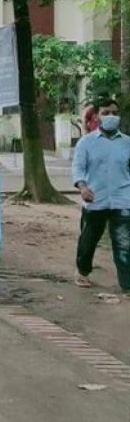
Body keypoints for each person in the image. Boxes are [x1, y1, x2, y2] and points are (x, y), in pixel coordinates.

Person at [72, 98, 130, 295]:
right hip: (95, 200)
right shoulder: (86, 143)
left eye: (114, 113)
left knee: (124, 243)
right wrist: (82, 187)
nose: (111, 116)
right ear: (96, 116)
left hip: (123, 199)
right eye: (106, 113)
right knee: (88, 240)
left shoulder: (127, 143)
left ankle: (127, 284)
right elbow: (78, 168)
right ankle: (82, 271)